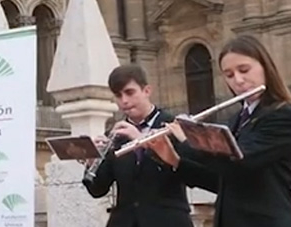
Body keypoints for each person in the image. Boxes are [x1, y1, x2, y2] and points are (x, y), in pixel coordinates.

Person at [146, 35, 291, 226]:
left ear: (265, 67)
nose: (238, 80)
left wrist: (190, 140)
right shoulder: (235, 121)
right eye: (229, 75)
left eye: (244, 70)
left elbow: (241, 163)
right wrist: (175, 160)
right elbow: (220, 180)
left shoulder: (283, 116)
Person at [81, 65, 213, 227]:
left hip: (168, 221)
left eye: (130, 92)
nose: (124, 101)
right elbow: (98, 189)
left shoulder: (174, 126)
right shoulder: (115, 134)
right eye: (118, 95)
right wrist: (91, 160)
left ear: (147, 91)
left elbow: (192, 173)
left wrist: (141, 140)